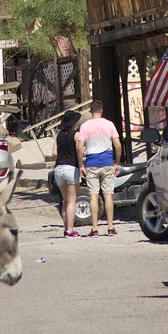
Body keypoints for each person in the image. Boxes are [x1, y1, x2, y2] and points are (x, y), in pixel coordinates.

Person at [76, 100, 122, 237]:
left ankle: (95, 228)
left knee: (93, 196)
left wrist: (80, 165)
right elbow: (118, 146)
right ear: (101, 111)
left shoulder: (84, 126)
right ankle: (110, 227)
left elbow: (79, 147)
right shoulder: (109, 124)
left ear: (91, 112)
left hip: (91, 163)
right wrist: (116, 163)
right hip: (107, 162)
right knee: (108, 195)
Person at [53, 110, 83, 238]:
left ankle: (66, 228)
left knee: (65, 201)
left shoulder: (59, 135)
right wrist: (82, 165)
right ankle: (70, 230)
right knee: (72, 201)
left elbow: (54, 152)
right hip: (71, 168)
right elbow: (79, 150)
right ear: (74, 123)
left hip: (58, 168)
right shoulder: (76, 135)